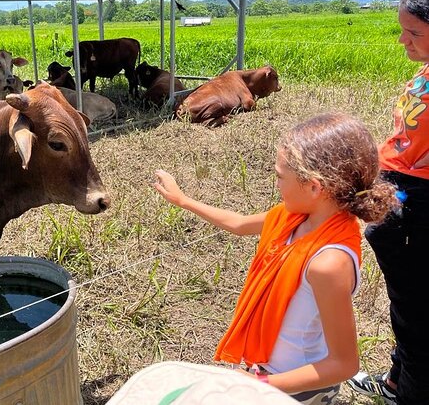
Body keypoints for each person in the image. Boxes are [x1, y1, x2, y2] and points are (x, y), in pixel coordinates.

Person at [154, 113, 398, 405]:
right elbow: (240, 224)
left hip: (299, 389)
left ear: (314, 187)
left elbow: (344, 364)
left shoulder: (328, 264)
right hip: (267, 371)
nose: (277, 184)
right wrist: (183, 200)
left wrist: (261, 384)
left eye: (280, 176)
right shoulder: (296, 218)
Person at [347, 0, 429, 405]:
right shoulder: (426, 70)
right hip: (400, 196)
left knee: (418, 313)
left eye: (414, 32)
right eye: (402, 28)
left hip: (421, 207)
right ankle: (399, 379)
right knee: (408, 304)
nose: (403, 40)